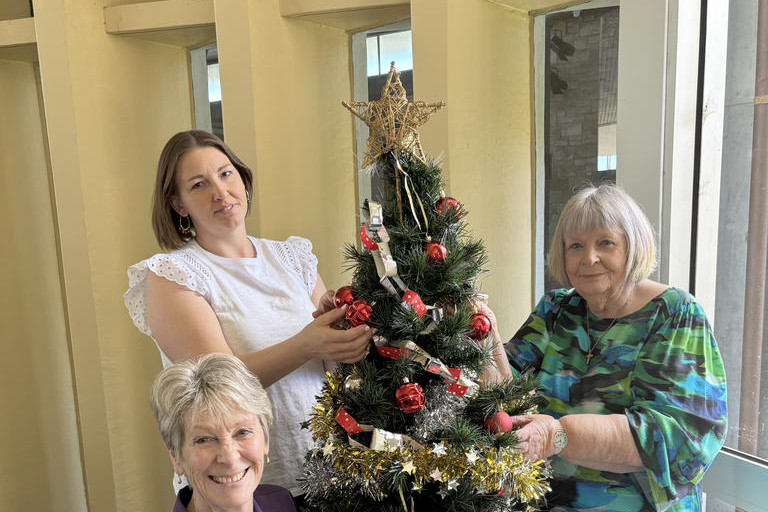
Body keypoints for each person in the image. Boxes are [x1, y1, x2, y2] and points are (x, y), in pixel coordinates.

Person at [124, 130, 374, 497]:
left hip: (328, 472)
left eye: (226, 174)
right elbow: (217, 388)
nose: (220, 192)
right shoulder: (172, 275)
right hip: (237, 482)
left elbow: (334, 368)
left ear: (242, 179)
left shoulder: (293, 257)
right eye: (198, 184)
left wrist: (339, 326)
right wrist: (306, 344)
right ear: (179, 205)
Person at [481, 184, 727, 511]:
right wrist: (484, 338)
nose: (589, 258)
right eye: (576, 246)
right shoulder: (557, 309)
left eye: (605, 243)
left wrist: (559, 435)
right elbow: (504, 392)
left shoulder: (674, 314)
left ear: (632, 247)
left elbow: (680, 437)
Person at [150, 353, 297, 512]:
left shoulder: (280, 502)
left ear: (266, 439)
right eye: (204, 440)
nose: (229, 457)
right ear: (175, 457)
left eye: (242, 432)